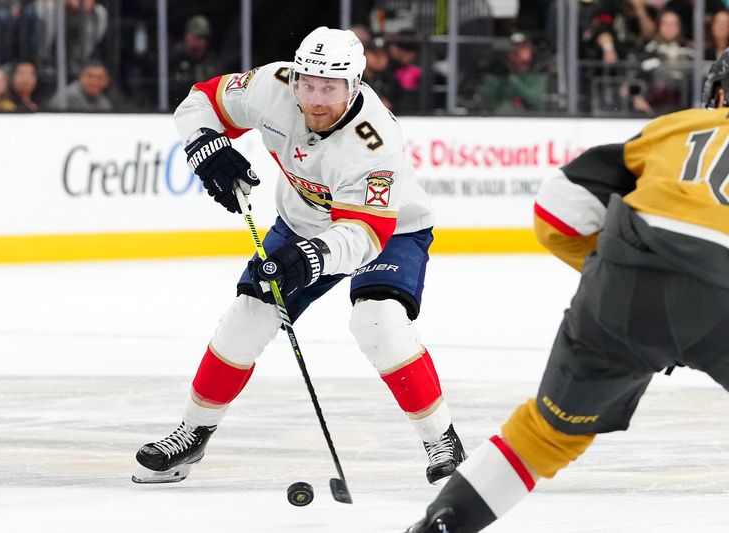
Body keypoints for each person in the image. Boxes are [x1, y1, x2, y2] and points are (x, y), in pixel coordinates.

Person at [404, 50, 729, 533]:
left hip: (625, 285)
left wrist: (615, 272)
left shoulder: (675, 128)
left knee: (545, 435)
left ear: (719, 94)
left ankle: (441, 524)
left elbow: (559, 209)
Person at [132, 26, 466, 487]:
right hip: (302, 222)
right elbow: (199, 102)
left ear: (355, 85)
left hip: (389, 230)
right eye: (308, 84)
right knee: (247, 316)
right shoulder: (274, 86)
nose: (315, 99)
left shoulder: (374, 143)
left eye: (330, 88)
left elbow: (366, 232)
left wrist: (310, 257)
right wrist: (207, 149)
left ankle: (440, 438)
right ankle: (193, 431)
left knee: (378, 323)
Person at [479, 33, 547, 115]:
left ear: (530, 51)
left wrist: (514, 81)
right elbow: (487, 99)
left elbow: (534, 100)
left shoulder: (537, 76)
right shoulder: (500, 75)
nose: (517, 51)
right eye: (514, 48)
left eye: (523, 47)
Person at [168, 15, 219, 109]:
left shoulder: (212, 61)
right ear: (187, 35)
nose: (202, 43)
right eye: (198, 37)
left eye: (205, 38)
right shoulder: (172, 59)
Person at [46, 59, 111, 111]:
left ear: (107, 81)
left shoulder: (104, 101)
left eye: (100, 78)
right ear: (80, 77)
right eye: (90, 76)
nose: (94, 82)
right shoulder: (69, 96)